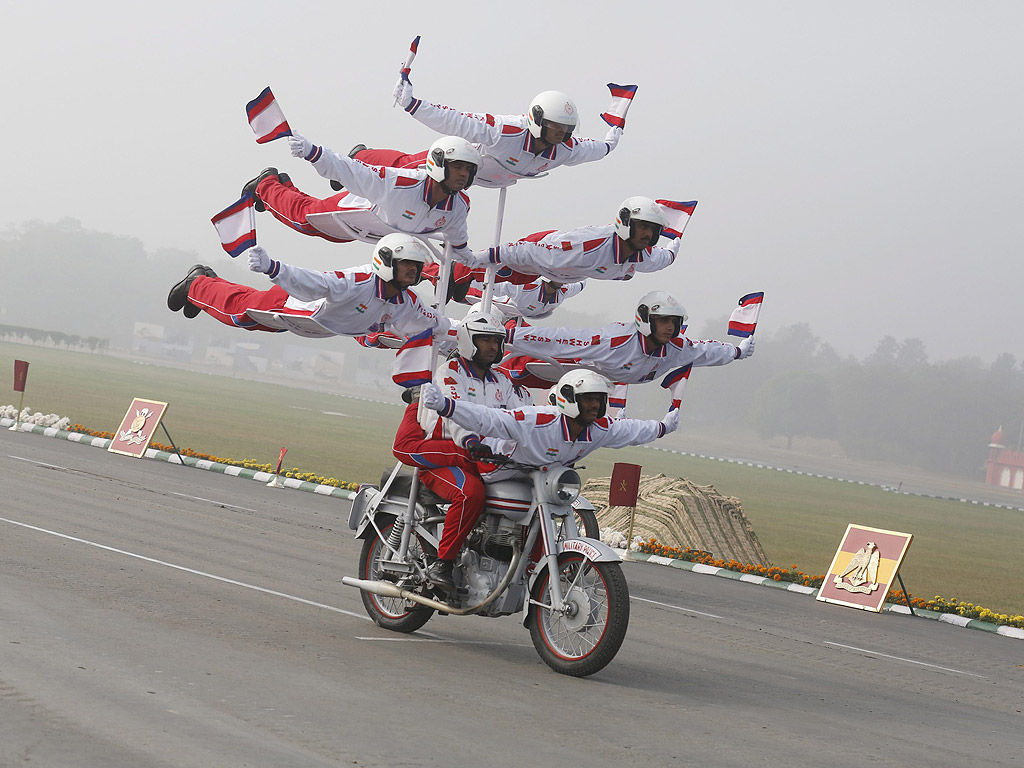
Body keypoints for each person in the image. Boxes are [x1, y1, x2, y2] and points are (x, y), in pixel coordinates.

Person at [391, 309, 522, 592]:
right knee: (470, 493)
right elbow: (455, 412)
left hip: (485, 458)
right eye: (485, 340)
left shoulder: (502, 381)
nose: (492, 347)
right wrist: (472, 441)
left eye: (496, 341)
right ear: (467, 341)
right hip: (446, 453)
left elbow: (520, 417)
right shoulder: (449, 374)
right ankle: (443, 563)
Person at [166, 234, 454, 341]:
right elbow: (317, 283)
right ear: (387, 261)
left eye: (416, 267)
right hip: (292, 304)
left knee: (245, 303)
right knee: (239, 314)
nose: (413, 271)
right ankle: (198, 285)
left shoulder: (407, 302)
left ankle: (206, 280)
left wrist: (477, 335)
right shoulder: (358, 281)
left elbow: (435, 323)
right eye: (407, 264)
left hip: (316, 324)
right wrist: (273, 268)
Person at [418, 368, 679, 478]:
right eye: (588, 399)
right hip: (495, 472)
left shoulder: (600, 428)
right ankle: (446, 562)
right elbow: (489, 419)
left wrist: (663, 427)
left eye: (599, 400)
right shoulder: (537, 419)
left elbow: (631, 430)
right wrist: (446, 405)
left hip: (538, 479)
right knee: (472, 501)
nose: (595, 406)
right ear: (568, 398)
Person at [242, 134, 480, 255]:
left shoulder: (460, 206)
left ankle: (285, 187)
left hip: (380, 229)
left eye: (468, 170)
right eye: (457, 167)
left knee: (336, 236)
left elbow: (459, 243)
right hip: (361, 208)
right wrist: (312, 152)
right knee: (306, 220)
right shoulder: (399, 182)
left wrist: (480, 260)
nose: (462, 174)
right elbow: (351, 170)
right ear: (439, 164)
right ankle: (266, 185)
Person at [350, 86, 623, 189]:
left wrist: (614, 134)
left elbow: (598, 149)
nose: (560, 134)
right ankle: (359, 157)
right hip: (467, 163)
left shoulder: (567, 148)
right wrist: (412, 104)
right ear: (537, 119)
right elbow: (456, 120)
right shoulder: (504, 130)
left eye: (566, 129)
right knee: (408, 165)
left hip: (491, 181)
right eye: (554, 127)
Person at [501, 290, 755, 389]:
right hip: (567, 363)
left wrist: (738, 351)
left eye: (673, 322)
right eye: (663, 321)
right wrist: (509, 334)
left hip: (591, 384)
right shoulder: (613, 340)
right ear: (645, 319)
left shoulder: (677, 348)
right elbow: (562, 339)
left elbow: (705, 351)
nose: (669, 328)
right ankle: (505, 321)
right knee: (515, 368)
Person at [452, 197, 681, 284]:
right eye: (643, 227)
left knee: (496, 281)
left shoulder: (646, 256)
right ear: (625, 222)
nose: (648, 236)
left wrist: (674, 245)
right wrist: (475, 257)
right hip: (541, 251)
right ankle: (433, 270)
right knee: (466, 271)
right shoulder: (588, 245)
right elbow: (524, 250)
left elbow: (666, 258)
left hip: (549, 273)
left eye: (654, 231)